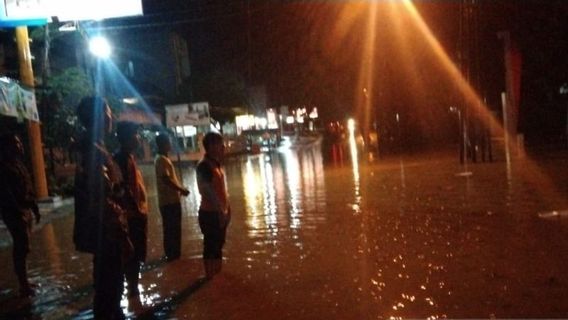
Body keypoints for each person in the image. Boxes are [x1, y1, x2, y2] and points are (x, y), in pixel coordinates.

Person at [73, 96, 131, 319]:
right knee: (111, 290)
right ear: (98, 116)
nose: (112, 117)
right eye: (108, 112)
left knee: (108, 289)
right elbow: (103, 201)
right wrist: (123, 235)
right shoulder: (93, 151)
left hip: (102, 234)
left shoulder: (93, 147)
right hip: (107, 234)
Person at [0, 133, 41, 297]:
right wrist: (18, 212)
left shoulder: (18, 164)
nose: (20, 145)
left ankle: (24, 281)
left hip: (24, 210)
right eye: (16, 143)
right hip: (14, 212)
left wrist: (34, 208)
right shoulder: (3, 167)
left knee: (24, 247)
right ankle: (23, 285)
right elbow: (6, 194)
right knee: (22, 246)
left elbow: (28, 187)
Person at [113, 122, 148, 299]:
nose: (139, 138)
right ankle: (133, 292)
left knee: (136, 256)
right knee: (132, 256)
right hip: (132, 217)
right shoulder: (121, 159)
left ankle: (133, 292)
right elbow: (123, 189)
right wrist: (136, 211)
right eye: (136, 134)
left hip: (136, 215)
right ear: (126, 137)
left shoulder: (128, 157)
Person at [196, 132, 230, 279]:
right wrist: (220, 210)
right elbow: (207, 190)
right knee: (211, 246)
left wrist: (227, 208)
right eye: (219, 144)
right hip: (210, 214)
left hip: (219, 212)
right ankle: (209, 277)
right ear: (211, 146)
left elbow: (220, 189)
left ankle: (217, 276)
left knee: (218, 245)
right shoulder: (203, 166)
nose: (223, 147)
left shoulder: (215, 164)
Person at [154, 133, 189, 261]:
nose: (170, 144)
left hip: (171, 200)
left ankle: (173, 255)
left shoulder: (162, 159)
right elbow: (166, 179)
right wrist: (181, 189)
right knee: (171, 229)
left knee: (172, 229)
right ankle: (172, 255)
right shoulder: (161, 160)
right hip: (168, 202)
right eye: (168, 142)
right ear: (163, 144)